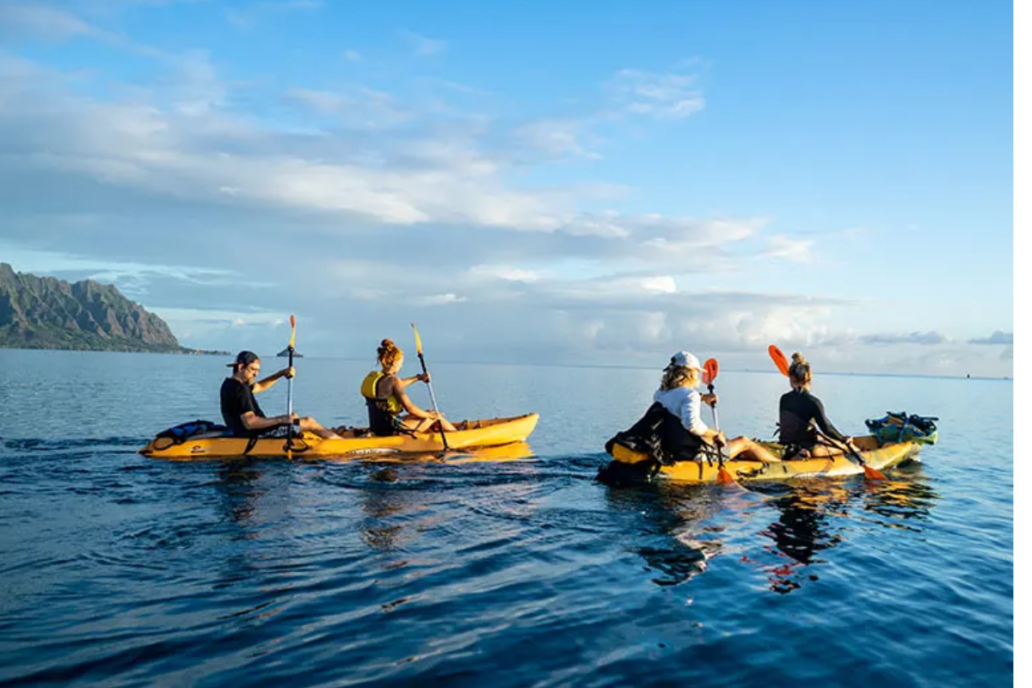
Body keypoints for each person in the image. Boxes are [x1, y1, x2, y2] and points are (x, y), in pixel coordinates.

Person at [653, 350, 780, 464]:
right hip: (694, 455)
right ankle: (781, 465)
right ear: (690, 373)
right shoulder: (690, 395)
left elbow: (677, 399)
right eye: (696, 372)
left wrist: (702, 397)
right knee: (744, 441)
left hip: (672, 447)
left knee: (722, 439)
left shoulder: (660, 394)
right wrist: (715, 434)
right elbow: (691, 424)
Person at [220, 351, 342, 439]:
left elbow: (260, 386)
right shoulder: (239, 389)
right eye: (253, 369)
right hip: (256, 434)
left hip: (247, 431)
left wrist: (281, 373)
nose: (256, 374)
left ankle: (325, 433)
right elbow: (250, 423)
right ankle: (341, 444)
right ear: (241, 367)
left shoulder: (231, 384)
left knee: (294, 417)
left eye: (258, 371)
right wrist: (281, 419)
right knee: (309, 421)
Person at [359, 338, 458, 436]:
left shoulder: (378, 379)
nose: (401, 366)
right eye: (401, 363)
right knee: (435, 416)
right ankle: (457, 436)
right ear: (394, 362)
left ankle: (448, 431)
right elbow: (410, 408)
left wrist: (418, 378)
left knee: (427, 413)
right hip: (392, 430)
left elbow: (398, 385)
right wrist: (431, 416)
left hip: (377, 427)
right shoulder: (393, 380)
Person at [778, 352, 859, 459]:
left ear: (791, 379)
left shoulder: (784, 398)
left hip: (785, 445)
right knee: (847, 446)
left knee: (822, 439)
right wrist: (843, 438)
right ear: (809, 379)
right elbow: (827, 429)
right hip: (808, 448)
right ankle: (859, 451)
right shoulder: (814, 402)